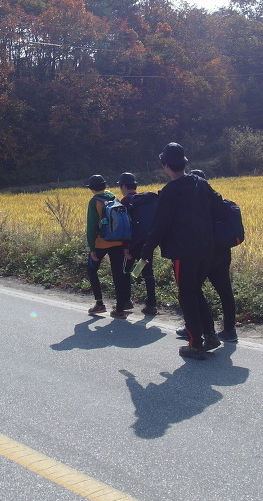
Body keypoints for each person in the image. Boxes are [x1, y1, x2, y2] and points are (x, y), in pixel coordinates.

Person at [136, 143, 220, 360]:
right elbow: (219, 204)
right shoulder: (200, 183)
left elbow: (159, 226)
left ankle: (195, 344)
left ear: (165, 166)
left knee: (187, 295)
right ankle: (210, 335)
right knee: (195, 291)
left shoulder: (170, 192)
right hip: (207, 249)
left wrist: (146, 251)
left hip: (184, 252)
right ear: (184, 163)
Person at [184, 170, 238, 343]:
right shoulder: (218, 199)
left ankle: (197, 327)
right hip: (223, 250)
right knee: (225, 290)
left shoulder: (198, 203)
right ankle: (230, 330)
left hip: (206, 252)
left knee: (192, 290)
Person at [85, 174, 132, 319]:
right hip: (118, 241)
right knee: (118, 274)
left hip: (101, 242)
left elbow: (91, 226)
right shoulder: (114, 198)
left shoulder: (94, 202)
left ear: (92, 188)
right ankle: (120, 309)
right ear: (105, 185)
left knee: (91, 269)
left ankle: (99, 303)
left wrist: (92, 249)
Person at [116, 172, 158, 315]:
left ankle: (125, 301)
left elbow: (124, 227)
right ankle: (151, 304)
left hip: (133, 244)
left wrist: (125, 248)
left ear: (124, 186)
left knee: (125, 270)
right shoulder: (145, 199)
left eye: (120, 186)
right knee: (147, 271)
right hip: (148, 243)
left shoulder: (126, 201)